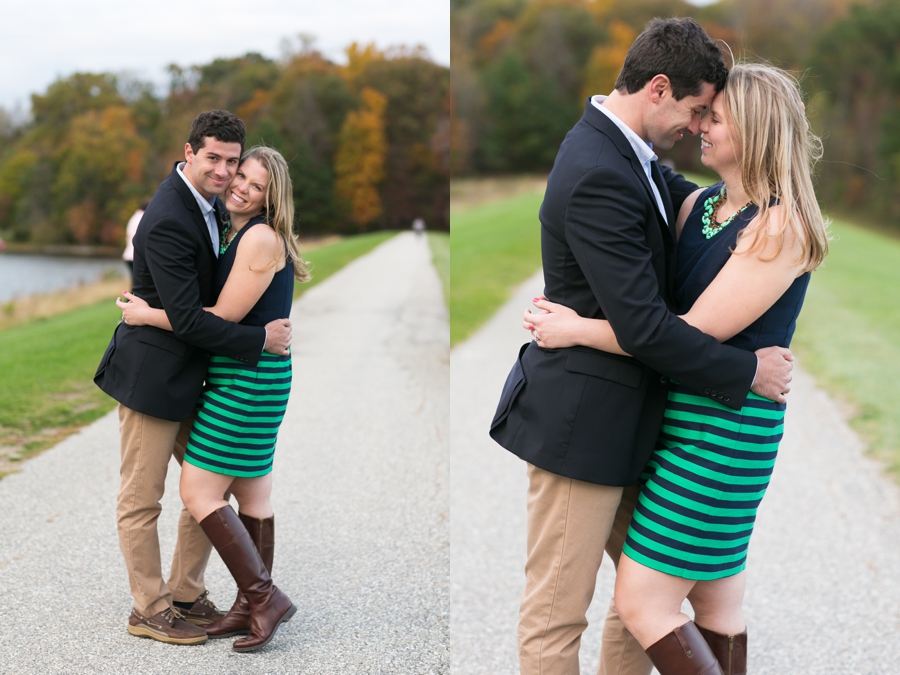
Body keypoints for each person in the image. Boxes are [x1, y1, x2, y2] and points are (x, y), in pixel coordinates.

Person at [488, 19, 794, 675]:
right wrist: (748, 369)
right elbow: (651, 327)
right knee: (557, 614)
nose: (697, 125)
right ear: (658, 88)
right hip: (583, 424)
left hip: (639, 424)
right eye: (695, 109)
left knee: (646, 599)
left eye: (712, 114)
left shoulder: (633, 155)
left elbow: (717, 219)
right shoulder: (600, 167)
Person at [94, 110, 292, 646]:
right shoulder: (168, 217)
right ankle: (150, 608)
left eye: (234, 162)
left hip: (196, 375)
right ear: (189, 153)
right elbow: (189, 318)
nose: (227, 173)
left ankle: (187, 592)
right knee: (143, 497)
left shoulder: (212, 209)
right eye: (216, 159)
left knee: (209, 487)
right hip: (153, 377)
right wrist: (260, 340)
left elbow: (214, 303)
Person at [122, 198, 150, 279]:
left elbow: (127, 235)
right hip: (136, 255)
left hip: (129, 254)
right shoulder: (143, 218)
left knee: (135, 282)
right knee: (139, 284)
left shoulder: (134, 217)